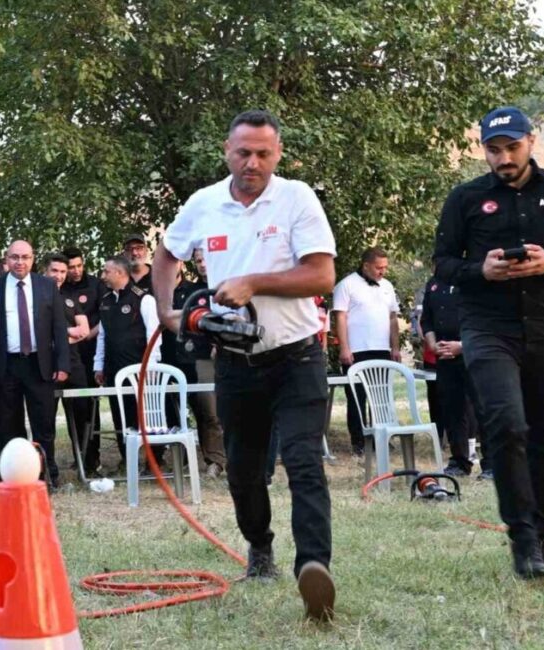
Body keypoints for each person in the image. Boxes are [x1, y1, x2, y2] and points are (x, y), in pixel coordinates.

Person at [153, 110, 338, 621]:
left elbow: (322, 275)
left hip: (298, 356)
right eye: (243, 153)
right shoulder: (204, 203)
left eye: (263, 153)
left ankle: (313, 567)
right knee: (244, 471)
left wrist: (254, 282)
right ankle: (259, 547)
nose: (252, 162)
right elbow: (166, 256)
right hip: (233, 362)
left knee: (303, 462)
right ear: (226, 152)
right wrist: (169, 313)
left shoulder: (297, 197)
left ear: (277, 155)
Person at [433, 106, 544, 579]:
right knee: (508, 425)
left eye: (512, 147)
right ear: (483, 151)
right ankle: (522, 541)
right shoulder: (465, 197)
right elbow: (445, 265)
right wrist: (483, 271)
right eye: (494, 149)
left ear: (531, 141)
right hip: (487, 329)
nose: (504, 157)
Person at [0, 240, 70, 486]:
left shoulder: (47, 286)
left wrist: (63, 363)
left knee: (44, 424)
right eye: (15, 257)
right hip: (5, 366)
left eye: (25, 257)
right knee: (8, 424)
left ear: (33, 259)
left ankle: (48, 474)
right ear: (6, 259)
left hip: (40, 365)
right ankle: (9, 475)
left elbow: (59, 328)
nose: (20, 262)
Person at [92, 256, 161, 470]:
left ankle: (154, 460)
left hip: (141, 370)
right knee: (120, 414)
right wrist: (98, 365)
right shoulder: (105, 301)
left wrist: (151, 365)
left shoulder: (143, 299)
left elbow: (154, 335)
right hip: (114, 370)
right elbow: (102, 336)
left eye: (106, 271)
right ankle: (128, 459)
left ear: (120, 273)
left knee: (146, 416)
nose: (103, 276)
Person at [419, 270, 490, 478]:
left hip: (474, 352)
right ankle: (459, 461)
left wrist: (462, 345)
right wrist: (433, 345)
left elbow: (488, 320)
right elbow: (427, 319)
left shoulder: (477, 278)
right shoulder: (434, 283)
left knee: (483, 409)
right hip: (444, 357)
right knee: (452, 410)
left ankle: (492, 464)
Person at [333, 247, 401, 457]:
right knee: (357, 397)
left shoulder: (387, 286)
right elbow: (340, 317)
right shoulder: (346, 285)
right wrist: (344, 347)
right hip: (357, 349)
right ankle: (359, 441)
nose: (383, 271)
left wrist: (395, 346)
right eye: (379, 267)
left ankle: (383, 437)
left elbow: (392, 318)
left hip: (382, 348)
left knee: (381, 396)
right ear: (366, 266)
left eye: (385, 267)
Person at [165, 249, 225, 478]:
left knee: (211, 412)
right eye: (198, 261)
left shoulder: (211, 289)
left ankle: (217, 460)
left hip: (209, 358)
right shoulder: (179, 292)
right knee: (182, 411)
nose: (202, 265)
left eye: (206, 260)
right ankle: (185, 461)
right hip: (179, 359)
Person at [44, 253, 92, 473]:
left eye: (63, 272)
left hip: (74, 364)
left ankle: (87, 464)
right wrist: (65, 333)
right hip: (47, 366)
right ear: (45, 271)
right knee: (46, 421)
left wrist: (58, 335)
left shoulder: (69, 297)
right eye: (55, 271)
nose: (59, 276)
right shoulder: (37, 296)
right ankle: (47, 468)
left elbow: (84, 330)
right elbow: (40, 336)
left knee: (84, 414)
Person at [61, 247, 103, 471]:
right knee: (72, 407)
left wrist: (89, 334)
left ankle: (92, 457)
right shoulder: (59, 288)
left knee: (89, 408)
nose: (75, 271)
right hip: (70, 355)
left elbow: (104, 315)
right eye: (71, 268)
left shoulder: (96, 284)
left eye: (79, 266)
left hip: (92, 353)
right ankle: (81, 454)